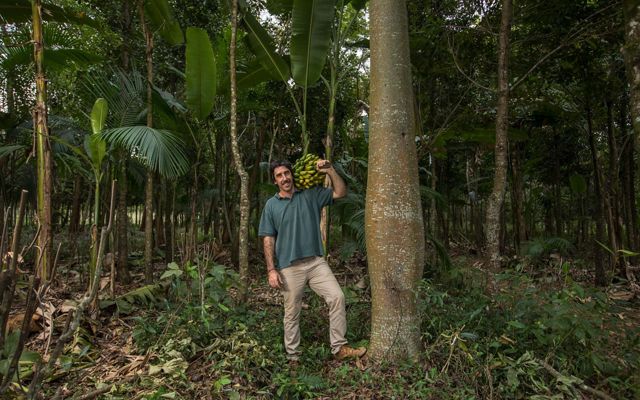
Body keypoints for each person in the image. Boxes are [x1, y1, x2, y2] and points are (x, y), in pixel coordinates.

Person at [259, 158, 366, 362]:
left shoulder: (311, 194)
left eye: (286, 174)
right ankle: (293, 357)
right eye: (279, 176)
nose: (284, 178)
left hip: (316, 262)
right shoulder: (271, 205)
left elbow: (341, 192)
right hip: (289, 267)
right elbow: (268, 238)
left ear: (292, 174)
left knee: (337, 297)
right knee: (291, 313)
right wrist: (271, 270)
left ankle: (339, 348)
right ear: (275, 181)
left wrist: (330, 170)